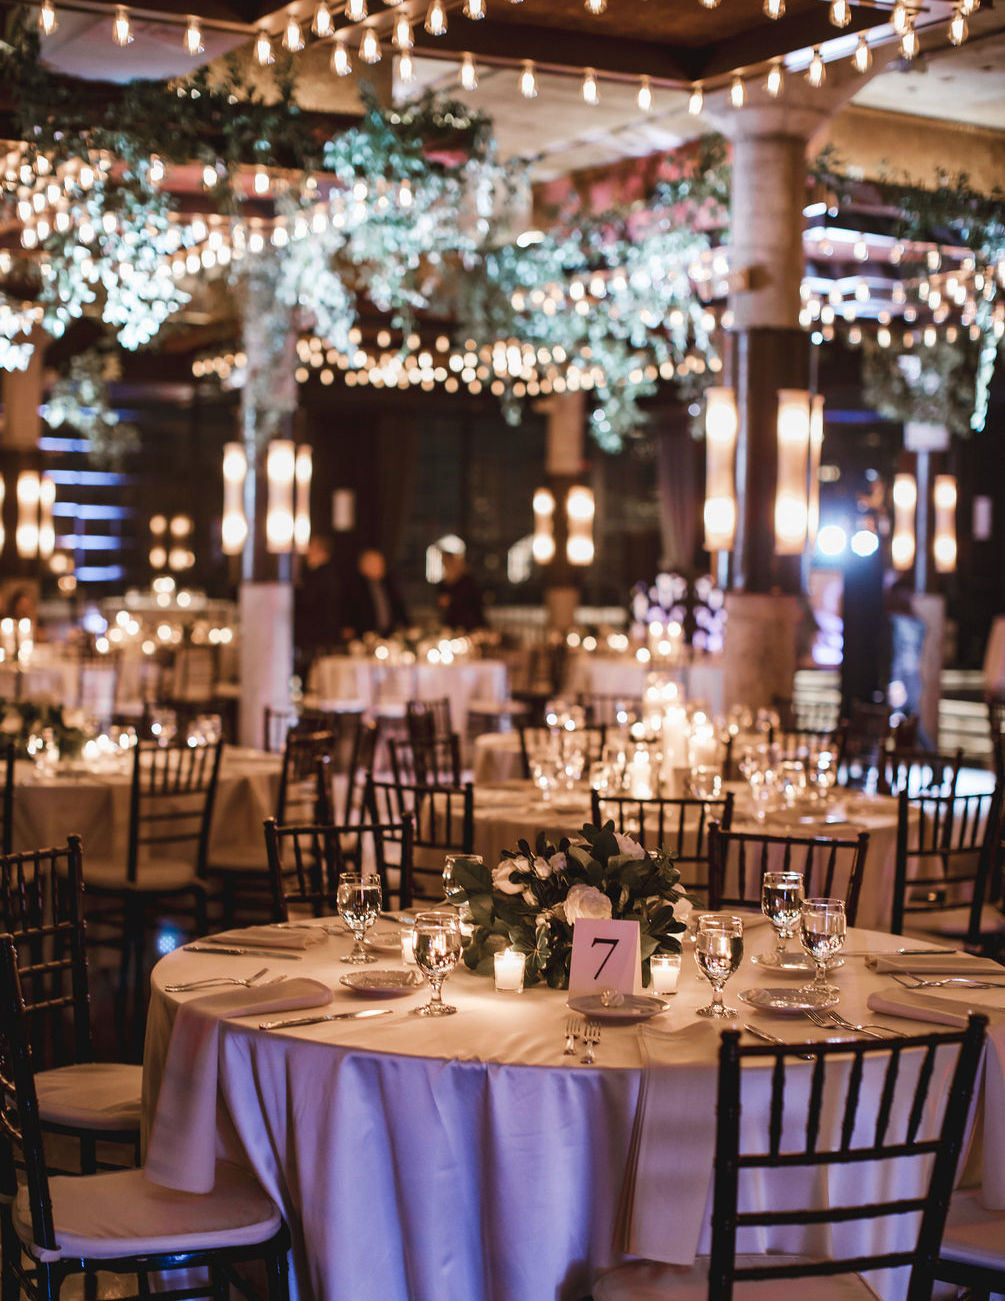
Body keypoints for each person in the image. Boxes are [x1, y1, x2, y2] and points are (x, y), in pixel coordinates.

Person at [293, 534, 341, 679]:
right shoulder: (329, 573)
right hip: (321, 635)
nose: (307, 551)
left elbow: (308, 602)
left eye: (310, 547)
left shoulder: (320, 575)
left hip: (314, 637)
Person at [340, 548, 409, 639]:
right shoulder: (353, 587)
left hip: (389, 636)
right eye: (376, 563)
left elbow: (399, 609)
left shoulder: (388, 584)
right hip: (364, 637)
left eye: (381, 562)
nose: (381, 566)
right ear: (363, 565)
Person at [437, 549, 485, 631]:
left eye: (448, 561)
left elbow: (473, 603)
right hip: (451, 624)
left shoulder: (467, 581)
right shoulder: (443, 583)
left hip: (470, 624)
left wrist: (451, 600)